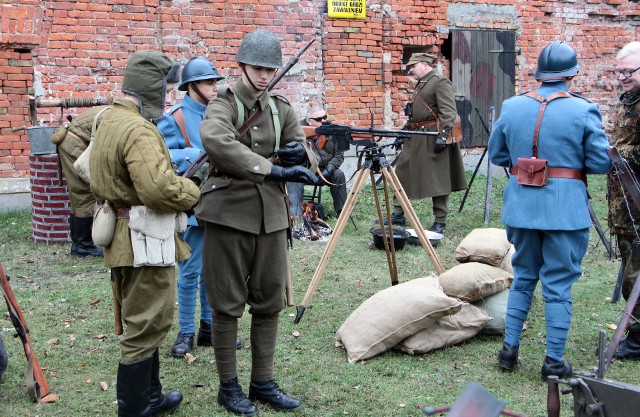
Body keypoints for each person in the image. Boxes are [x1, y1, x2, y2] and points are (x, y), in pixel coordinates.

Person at [196, 29, 318, 416]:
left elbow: (307, 153)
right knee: (227, 303)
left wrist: (304, 155)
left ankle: (262, 382)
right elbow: (216, 140)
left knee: (269, 301)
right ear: (242, 66)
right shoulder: (224, 103)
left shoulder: (281, 107)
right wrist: (270, 170)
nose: (264, 76)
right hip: (228, 214)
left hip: (271, 218)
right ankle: (228, 387)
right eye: (257, 68)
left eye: (270, 69)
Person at [488, 41, 612, 380]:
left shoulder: (511, 106)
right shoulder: (585, 109)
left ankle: (509, 351)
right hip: (564, 210)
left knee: (524, 275)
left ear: (539, 74)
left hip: (522, 206)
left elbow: (498, 155)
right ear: (572, 74)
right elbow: (601, 163)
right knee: (558, 283)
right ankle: (553, 363)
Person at [89, 50, 200, 417]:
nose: (168, 97)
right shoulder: (137, 128)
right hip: (142, 238)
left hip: (123, 233)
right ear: (152, 87)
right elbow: (158, 190)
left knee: (145, 318)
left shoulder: (108, 119)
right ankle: (136, 410)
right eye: (166, 89)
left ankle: (151, 398)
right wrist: (191, 191)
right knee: (146, 322)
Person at [157, 56, 242, 358]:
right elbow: (160, 152)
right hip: (193, 199)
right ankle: (186, 332)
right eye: (209, 82)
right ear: (192, 86)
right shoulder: (175, 117)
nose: (215, 87)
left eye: (216, 81)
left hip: (221, 199)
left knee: (213, 269)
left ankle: (209, 329)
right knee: (190, 269)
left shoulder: (220, 115)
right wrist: (191, 153)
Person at [391, 52, 468, 235]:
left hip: (434, 137)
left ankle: (440, 220)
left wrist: (443, 136)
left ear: (425, 65)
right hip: (417, 136)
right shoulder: (422, 84)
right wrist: (403, 131)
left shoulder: (439, 82)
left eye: (413, 66)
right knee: (402, 171)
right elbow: (415, 115)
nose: (411, 70)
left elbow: (449, 112)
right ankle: (397, 213)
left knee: (438, 179)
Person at [607, 41, 640, 360]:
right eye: (619, 71)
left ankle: (639, 336)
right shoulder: (625, 100)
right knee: (630, 265)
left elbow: (627, 149)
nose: (622, 77)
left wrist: (615, 153)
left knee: (635, 272)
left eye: (628, 71)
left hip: (639, 203)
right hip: (624, 204)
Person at [50, 106, 112, 257]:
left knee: (77, 196)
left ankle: (78, 244)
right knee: (85, 194)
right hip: (74, 145)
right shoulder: (115, 117)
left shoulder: (110, 111)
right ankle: (84, 246)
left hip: (70, 142)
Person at [287, 106, 347, 218]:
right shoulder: (297, 130)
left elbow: (339, 155)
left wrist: (329, 169)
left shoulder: (332, 130)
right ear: (309, 122)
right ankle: (295, 213)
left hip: (325, 169)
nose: (323, 121)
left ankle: (342, 212)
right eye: (319, 119)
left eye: (324, 117)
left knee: (339, 175)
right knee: (293, 177)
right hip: (304, 168)